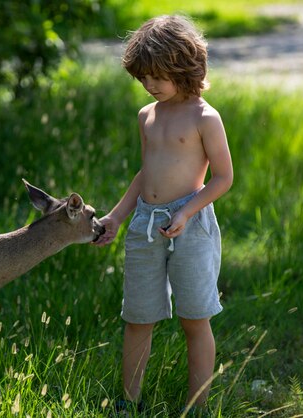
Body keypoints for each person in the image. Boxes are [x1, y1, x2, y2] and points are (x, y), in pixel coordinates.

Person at [93, 14, 233, 415]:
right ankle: (129, 401)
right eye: (143, 79)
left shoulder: (205, 117)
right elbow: (146, 174)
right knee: (138, 316)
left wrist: (187, 211)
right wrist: (118, 217)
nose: (150, 85)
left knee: (194, 317)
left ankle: (197, 406)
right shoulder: (147, 115)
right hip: (145, 225)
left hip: (190, 227)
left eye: (157, 76)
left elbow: (223, 178)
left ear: (184, 67)